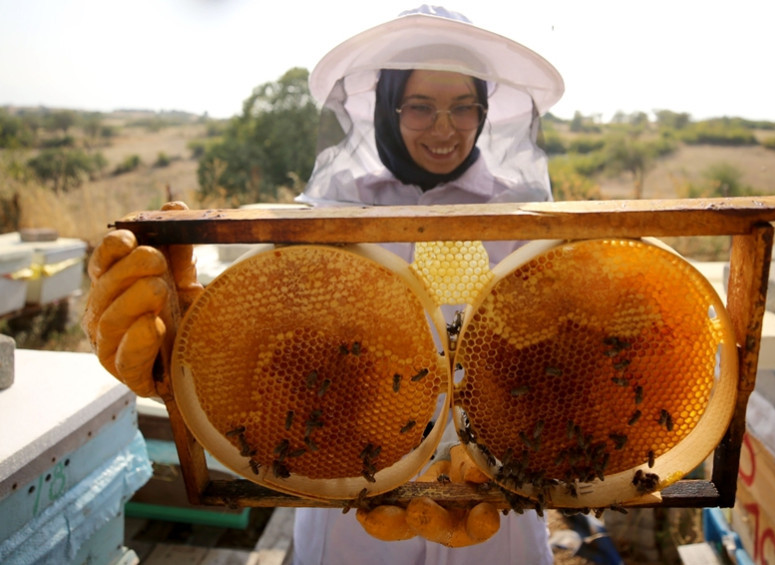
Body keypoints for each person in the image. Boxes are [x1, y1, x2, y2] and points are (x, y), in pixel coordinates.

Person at [83, 5, 564, 564]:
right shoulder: (326, 219)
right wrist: (197, 349)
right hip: (348, 485)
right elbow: (265, 330)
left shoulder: (523, 221)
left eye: (464, 107)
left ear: (486, 111)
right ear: (387, 108)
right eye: (420, 106)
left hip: (496, 498)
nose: (444, 127)